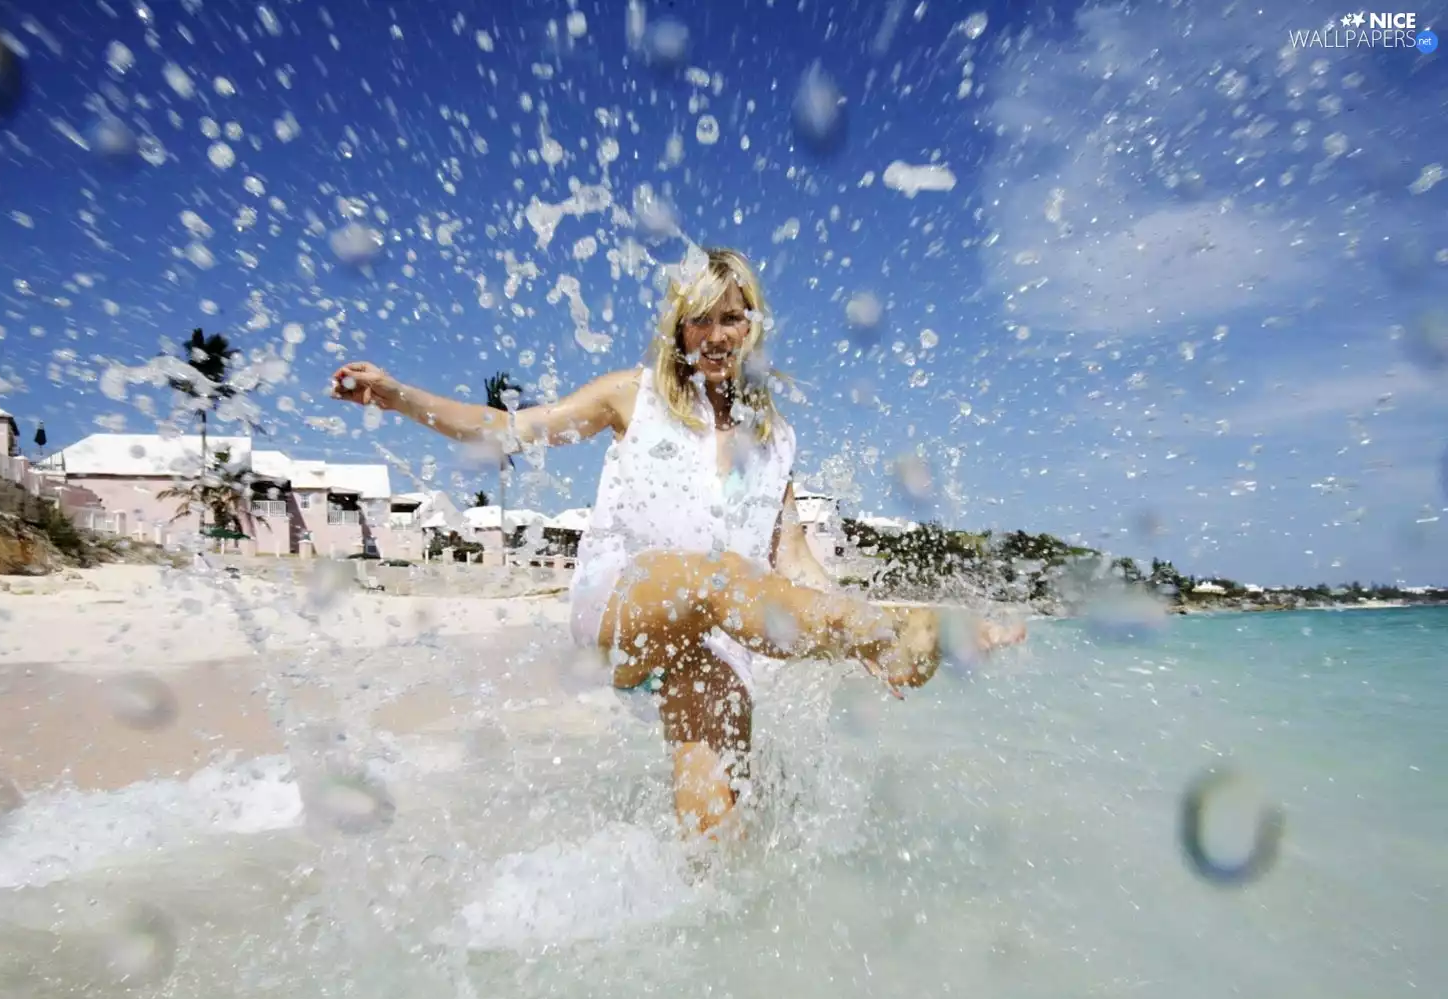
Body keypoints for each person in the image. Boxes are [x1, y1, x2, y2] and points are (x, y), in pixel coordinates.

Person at [331, 247, 1025, 840]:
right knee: (712, 577)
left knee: (720, 824)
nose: (716, 335)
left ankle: (720, 939)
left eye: (732, 317)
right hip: (621, 606)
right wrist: (397, 396)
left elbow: (794, 565)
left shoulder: (774, 441)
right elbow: (510, 431)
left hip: (714, 641)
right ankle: (892, 635)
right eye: (700, 318)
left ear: (753, 328)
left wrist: (843, 622)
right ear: (678, 328)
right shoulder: (632, 397)